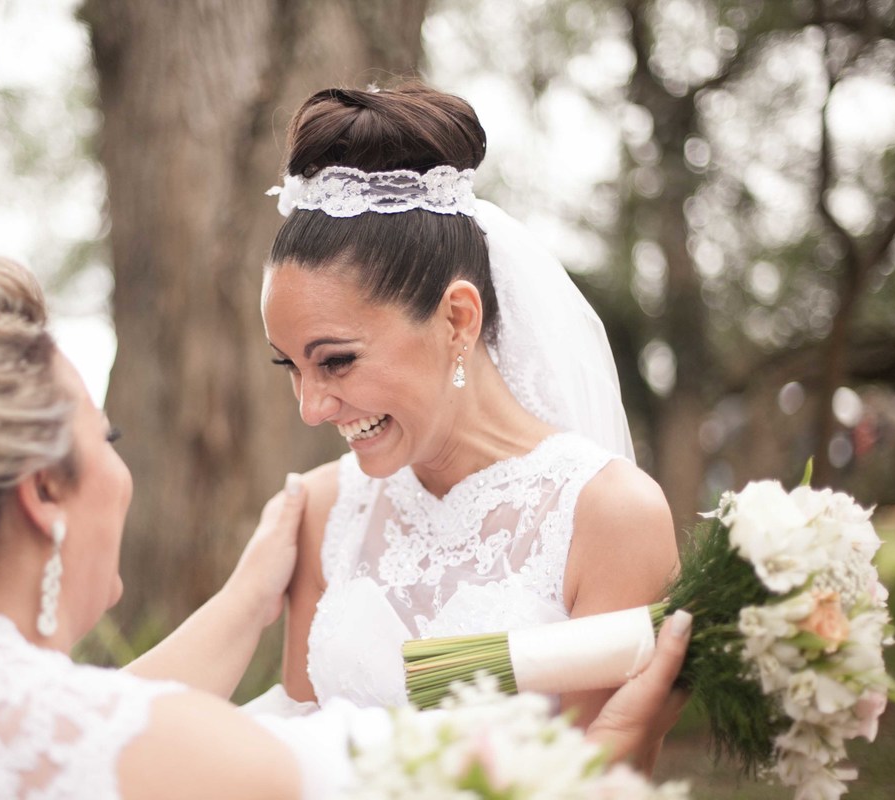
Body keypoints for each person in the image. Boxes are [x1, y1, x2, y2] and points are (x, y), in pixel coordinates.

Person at [0, 257, 689, 798]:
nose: (311, 405)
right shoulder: (146, 744)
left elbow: (92, 722)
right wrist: (599, 759)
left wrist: (248, 601)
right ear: (44, 491)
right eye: (108, 436)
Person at [261, 83, 680, 755]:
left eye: (335, 361)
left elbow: (605, 782)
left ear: (458, 318)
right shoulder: (322, 509)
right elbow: (289, 761)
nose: (312, 407)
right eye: (290, 367)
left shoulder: (609, 517)